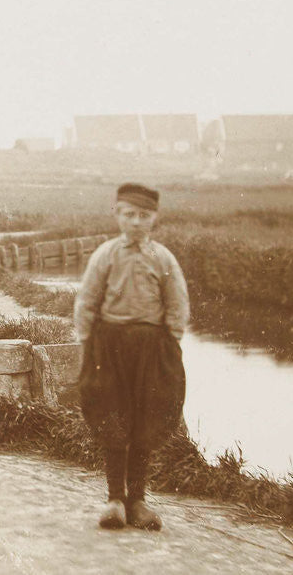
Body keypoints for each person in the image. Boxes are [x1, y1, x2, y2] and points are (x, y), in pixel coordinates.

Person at [74, 183, 189, 532]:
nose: (136, 222)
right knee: (113, 420)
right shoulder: (106, 255)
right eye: (128, 214)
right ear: (117, 215)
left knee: (145, 421)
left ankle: (137, 500)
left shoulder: (163, 258)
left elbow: (177, 304)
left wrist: (171, 346)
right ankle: (114, 500)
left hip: (151, 351)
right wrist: (86, 344)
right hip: (109, 349)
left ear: (154, 217)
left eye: (143, 215)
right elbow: (87, 302)